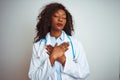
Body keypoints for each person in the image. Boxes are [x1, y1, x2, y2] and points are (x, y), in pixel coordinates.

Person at [28, 2, 90, 80]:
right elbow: (34, 77)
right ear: (48, 19)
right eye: (56, 16)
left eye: (64, 17)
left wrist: (63, 59)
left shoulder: (75, 44)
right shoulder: (38, 46)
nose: (60, 19)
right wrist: (52, 57)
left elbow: (84, 72)